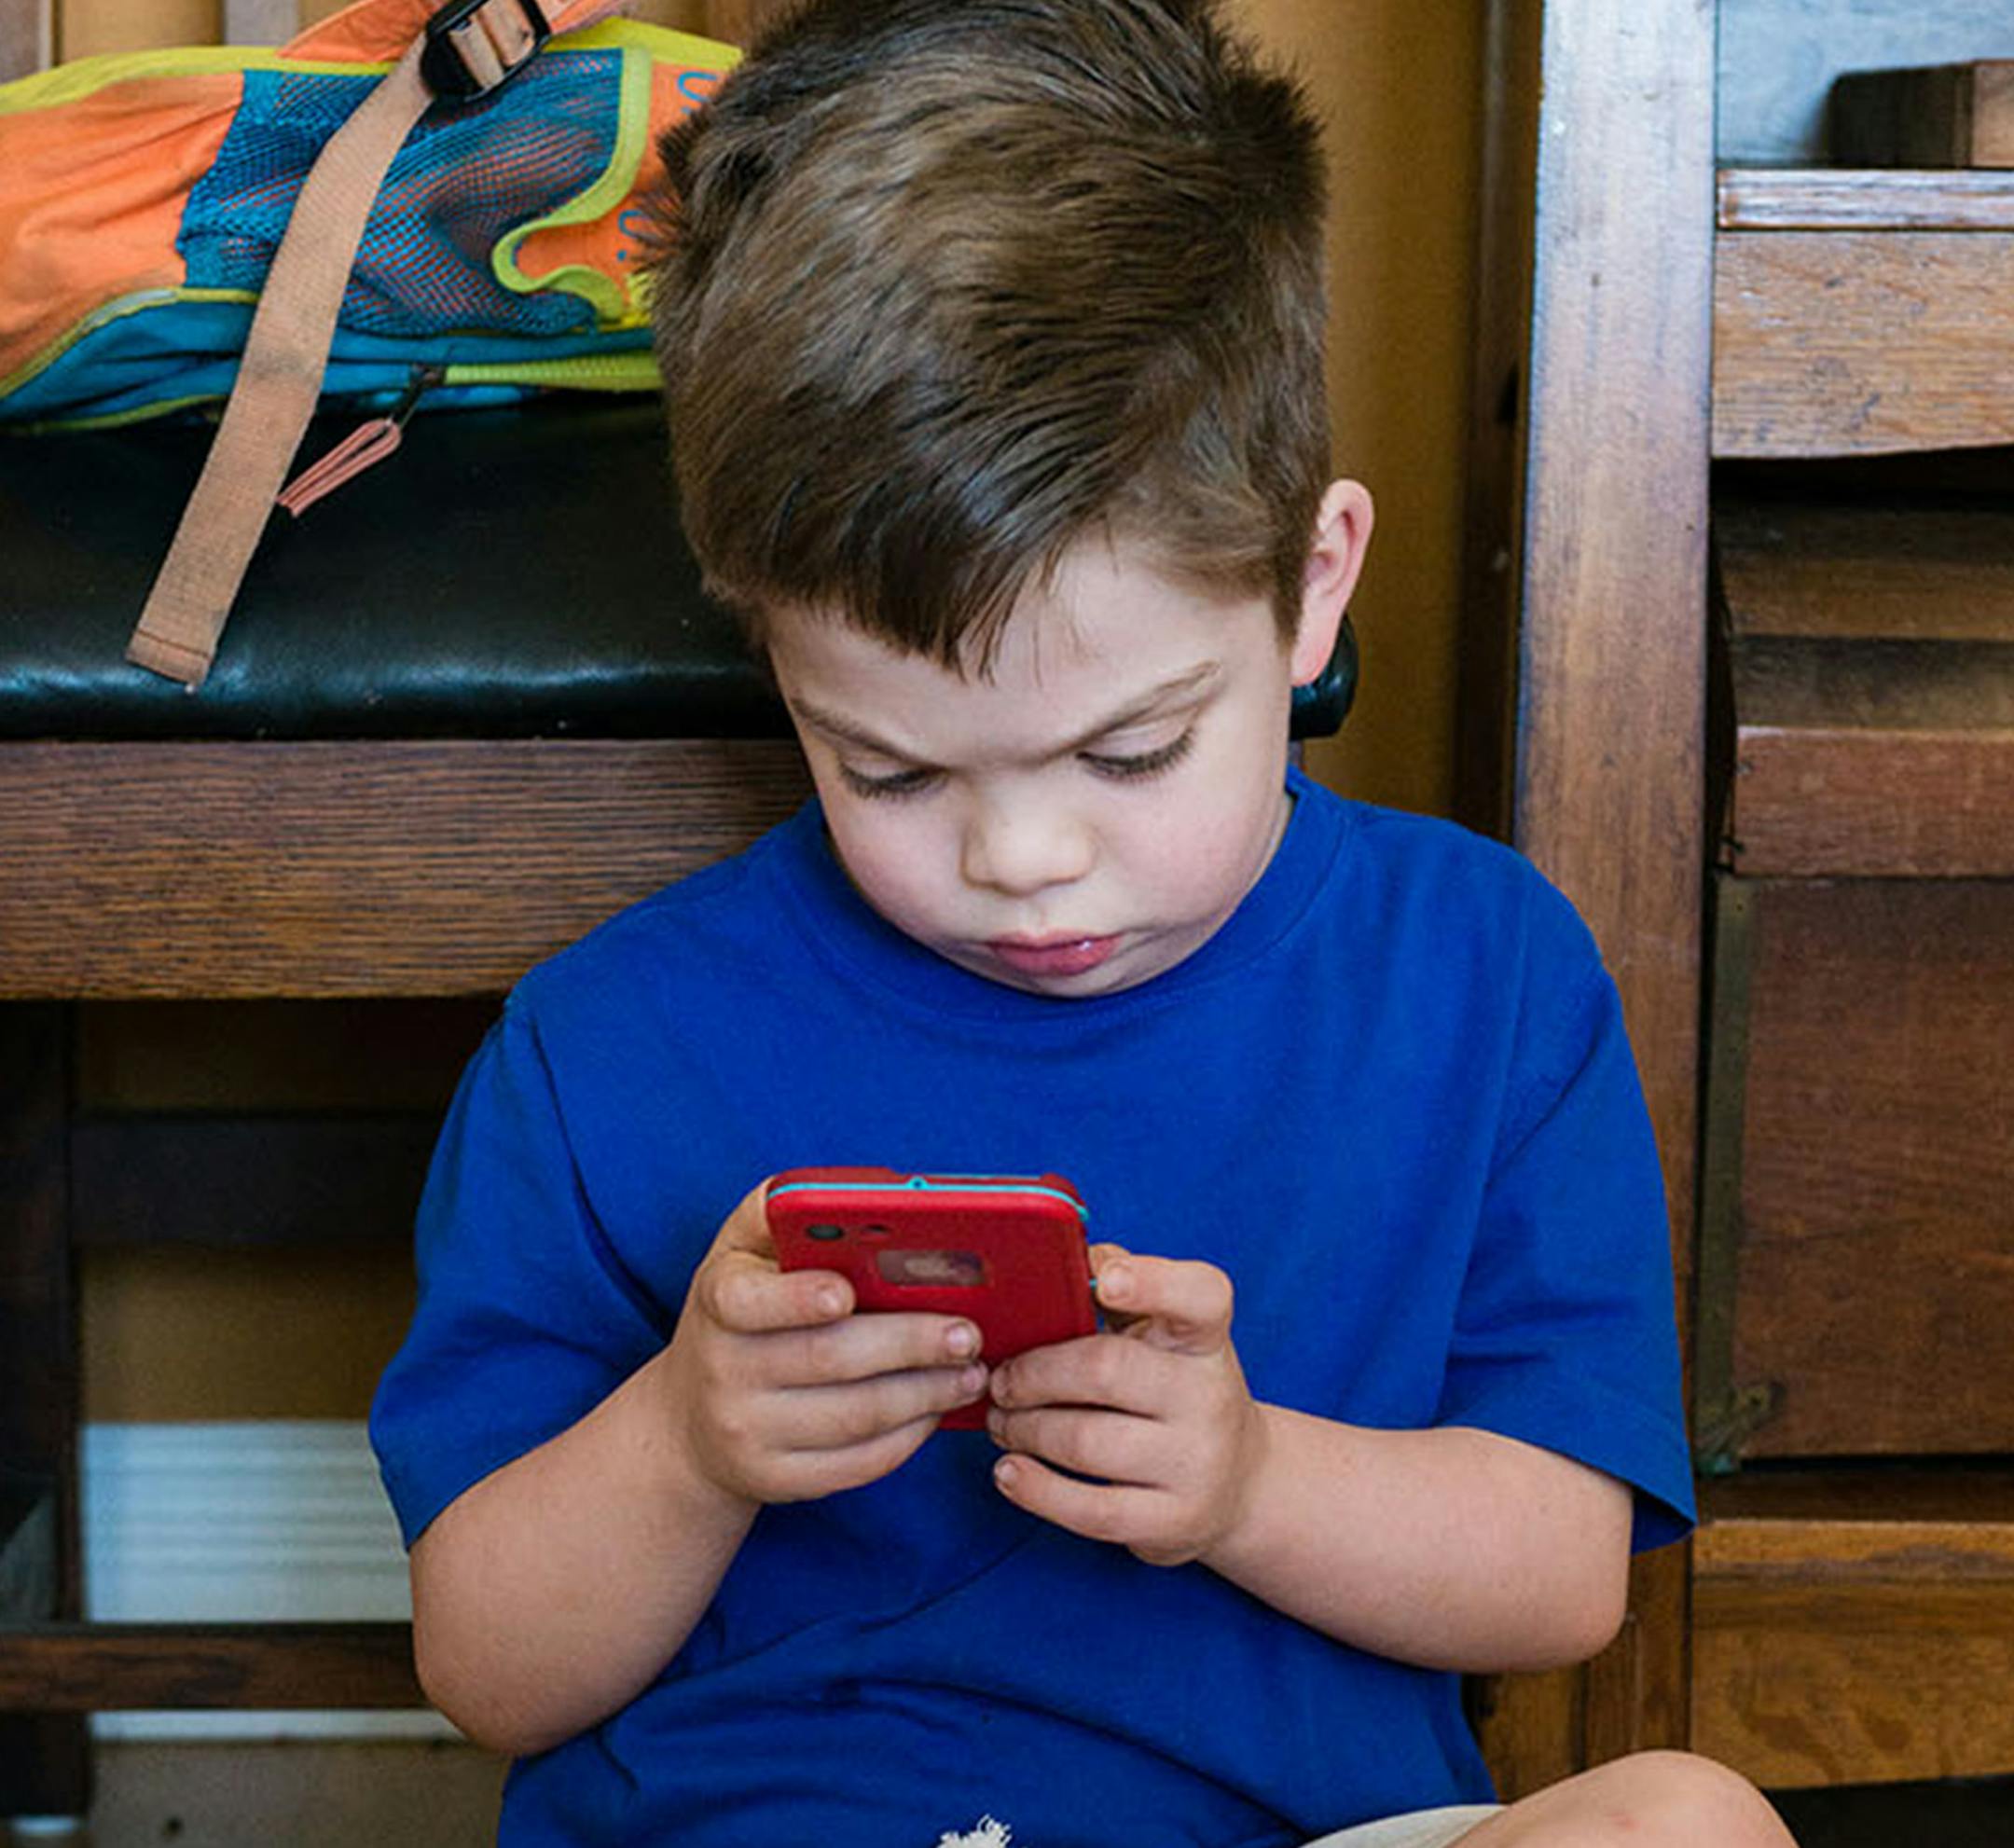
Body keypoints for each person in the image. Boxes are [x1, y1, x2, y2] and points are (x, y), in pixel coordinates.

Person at [369, 2, 1798, 1843]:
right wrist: (686, 1439)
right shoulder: (604, 1048)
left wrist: (1252, 1477)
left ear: (1310, 589)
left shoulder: (1482, 975)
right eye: (889, 770)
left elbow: (1556, 1579)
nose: (1026, 859)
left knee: (1685, 1817)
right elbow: (489, 1668)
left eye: (1131, 748)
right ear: (774, 654)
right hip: (781, 1816)